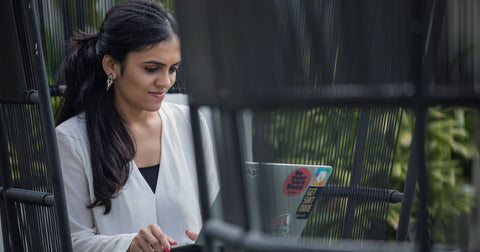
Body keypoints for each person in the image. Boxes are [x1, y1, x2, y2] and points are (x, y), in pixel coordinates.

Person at [54, 0, 219, 251]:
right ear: (112, 66)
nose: (165, 82)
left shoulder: (190, 123)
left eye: (173, 69)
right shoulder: (72, 139)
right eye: (151, 68)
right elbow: (71, 241)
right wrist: (128, 245)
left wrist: (208, 238)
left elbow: (215, 217)